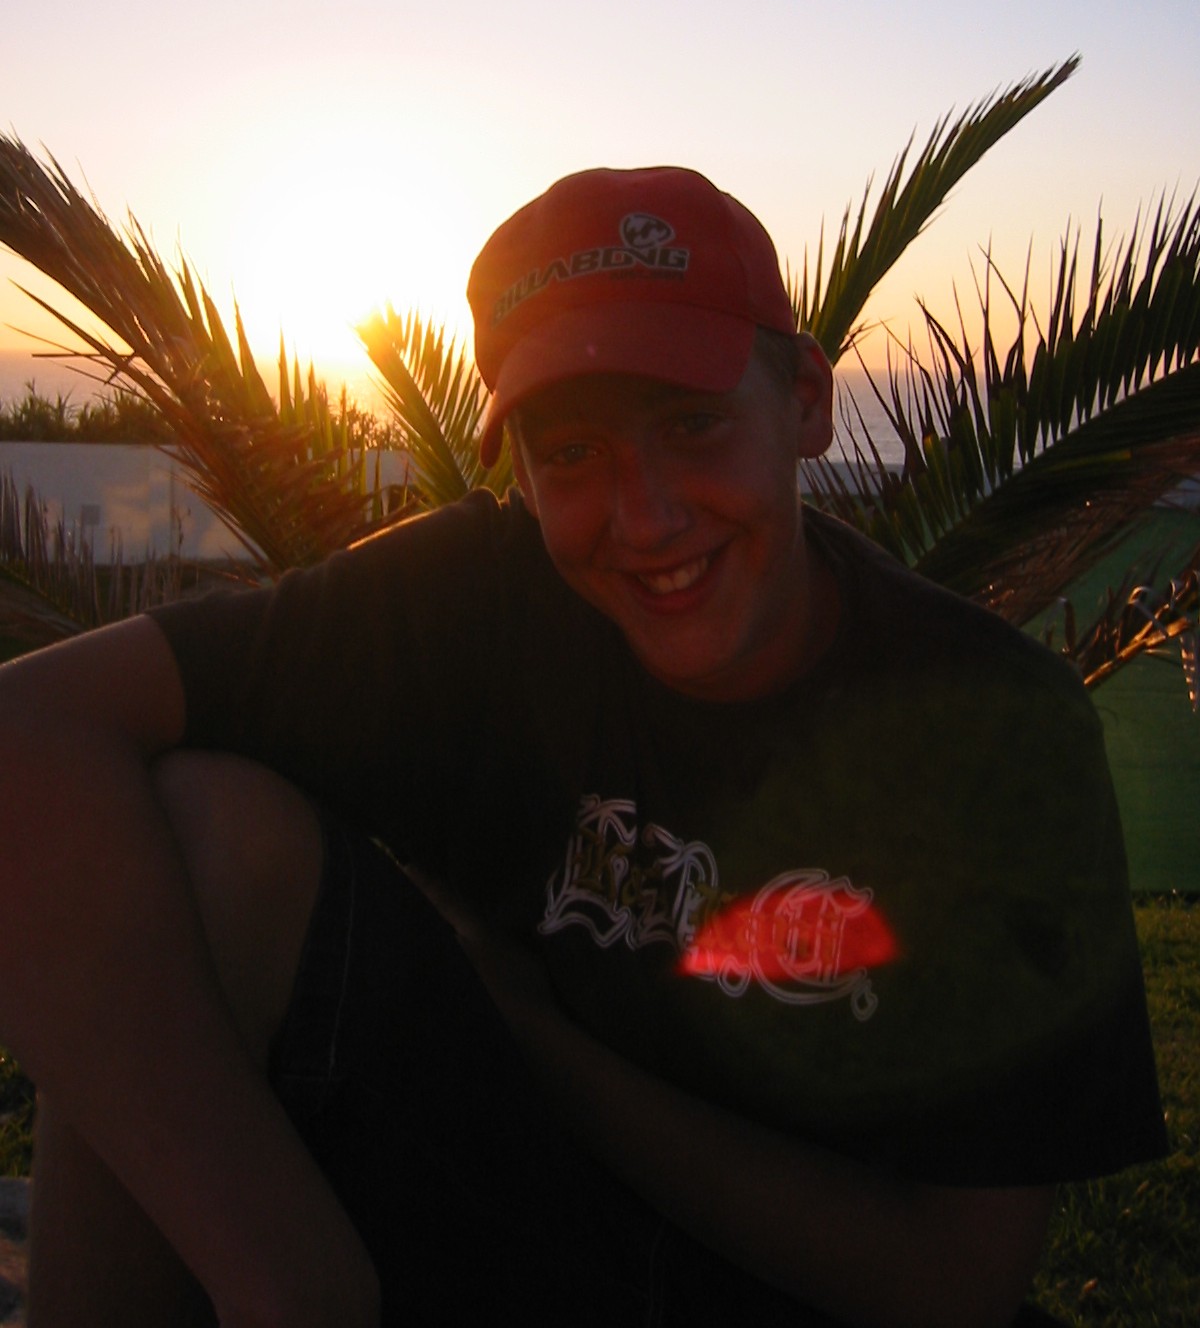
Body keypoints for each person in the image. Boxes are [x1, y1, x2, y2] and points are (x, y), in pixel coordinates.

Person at [0, 166, 1166, 1328]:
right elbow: (30, 731)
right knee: (205, 828)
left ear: (806, 401)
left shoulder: (991, 726)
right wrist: (279, 1272)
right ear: (519, 469)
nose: (645, 515)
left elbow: (952, 1283)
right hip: (491, 1221)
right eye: (571, 452)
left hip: (792, 1298)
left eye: (692, 424)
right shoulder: (480, 596)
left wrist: (540, 1042)